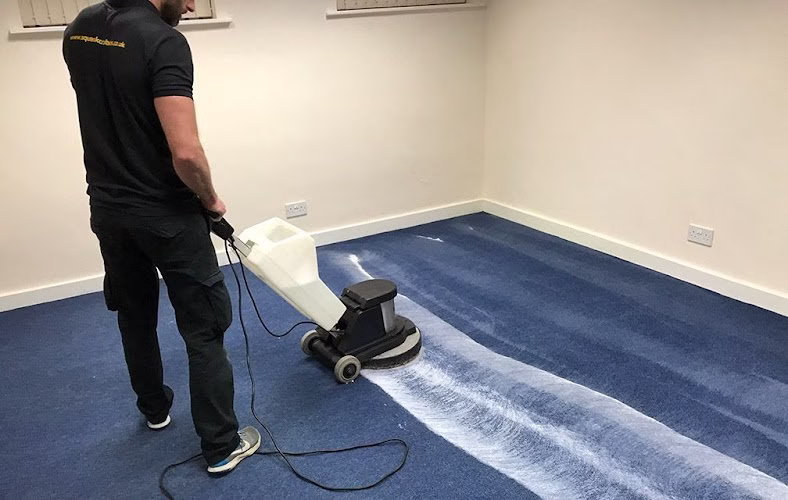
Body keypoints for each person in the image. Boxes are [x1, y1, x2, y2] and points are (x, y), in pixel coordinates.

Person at [62, 0, 260, 474]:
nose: (191, 5)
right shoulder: (164, 41)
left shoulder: (79, 28)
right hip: (168, 215)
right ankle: (221, 445)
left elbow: (110, 109)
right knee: (205, 326)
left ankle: (154, 408)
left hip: (109, 210)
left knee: (134, 313)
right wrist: (210, 199)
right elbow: (186, 152)